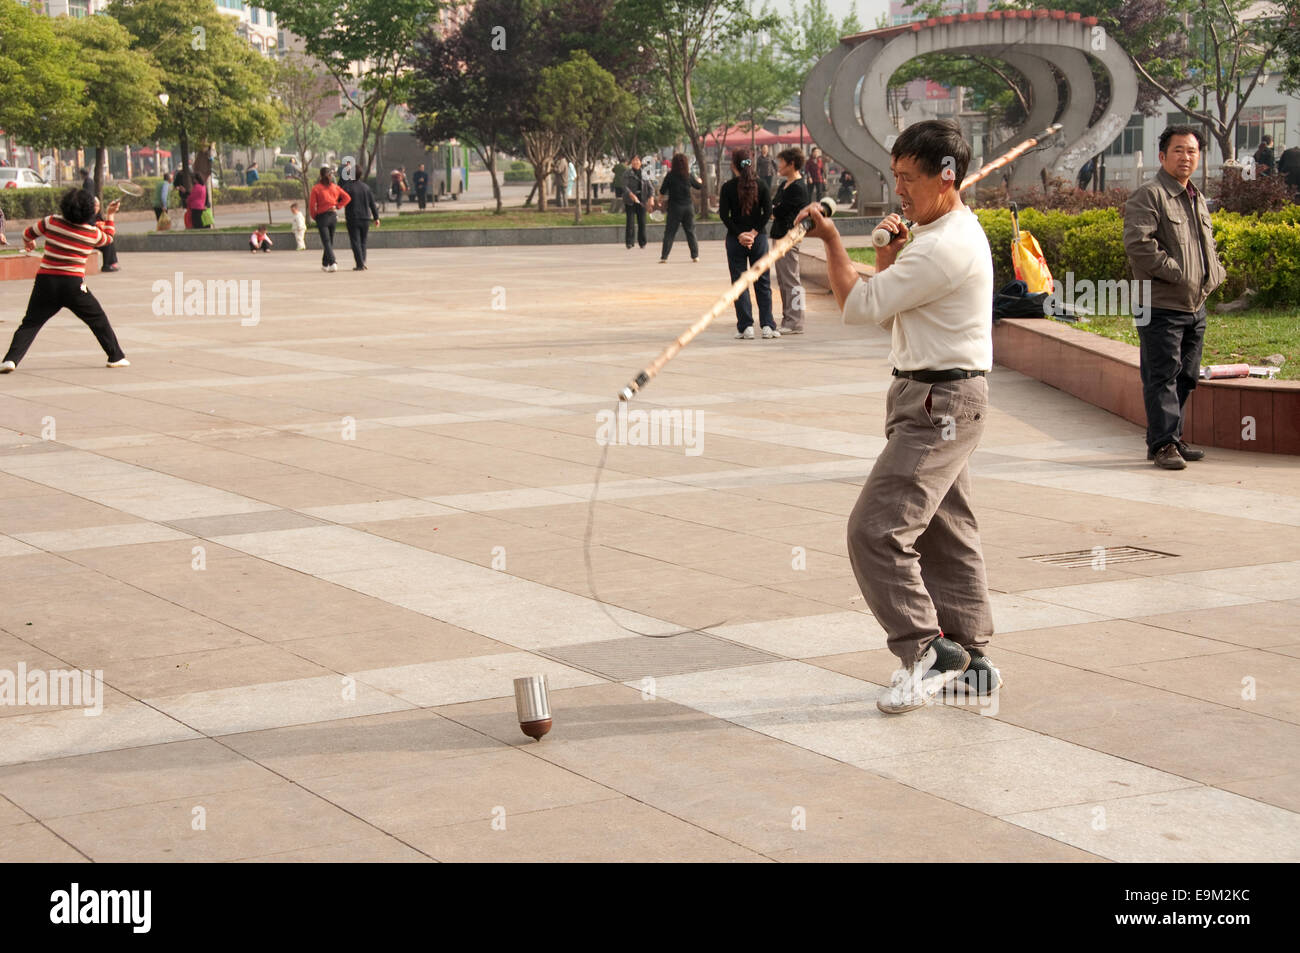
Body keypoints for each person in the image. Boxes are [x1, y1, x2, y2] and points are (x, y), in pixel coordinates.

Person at [795, 118, 996, 713]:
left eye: (909, 178)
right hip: (937, 396)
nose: (900, 190)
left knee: (876, 530)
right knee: (946, 531)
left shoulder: (942, 246)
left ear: (947, 178)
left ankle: (925, 648)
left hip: (940, 406)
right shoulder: (941, 235)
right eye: (895, 176)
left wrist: (831, 241)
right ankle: (973, 660)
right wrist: (885, 253)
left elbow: (858, 307)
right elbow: (892, 311)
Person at [1123, 125, 1226, 470]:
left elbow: (1205, 245)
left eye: (1192, 151)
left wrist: (1214, 274)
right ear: (1163, 156)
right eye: (1179, 150)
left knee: (1186, 376)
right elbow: (1139, 245)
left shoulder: (1195, 196)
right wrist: (1179, 273)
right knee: (1161, 376)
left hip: (1194, 305)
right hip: (1160, 304)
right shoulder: (1150, 195)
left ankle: (1171, 438)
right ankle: (1164, 444)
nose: (1186, 157)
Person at [1, 188, 129, 374]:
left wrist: (29, 242)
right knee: (97, 319)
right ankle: (116, 356)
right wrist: (110, 214)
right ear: (88, 211)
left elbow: (28, 233)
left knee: (30, 323)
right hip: (73, 285)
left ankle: (10, 360)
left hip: (45, 282)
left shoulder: (52, 221)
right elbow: (108, 238)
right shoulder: (90, 233)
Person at [719, 147, 776, 339]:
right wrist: (753, 233)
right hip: (758, 240)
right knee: (763, 282)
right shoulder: (761, 185)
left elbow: (724, 216)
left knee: (740, 282)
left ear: (733, 165)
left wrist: (740, 235)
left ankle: (746, 327)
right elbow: (767, 213)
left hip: (735, 240)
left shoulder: (727, 187)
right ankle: (767, 325)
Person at [770, 146, 810, 334]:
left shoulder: (798, 188)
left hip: (789, 236)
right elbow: (774, 206)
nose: (779, 165)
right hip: (778, 235)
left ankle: (796, 321)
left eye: (781, 162)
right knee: (783, 280)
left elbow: (779, 210)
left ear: (791, 164)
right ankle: (788, 318)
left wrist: (775, 210)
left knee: (792, 280)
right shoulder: (784, 185)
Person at [658, 153, 702, 263]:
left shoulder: (670, 175)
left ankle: (664, 257)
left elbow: (662, 191)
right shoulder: (688, 175)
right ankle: (695, 256)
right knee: (690, 232)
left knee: (669, 233)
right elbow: (698, 186)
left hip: (674, 208)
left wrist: (659, 201)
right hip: (688, 207)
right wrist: (700, 180)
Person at [309, 166, 350, 272]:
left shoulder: (316, 188)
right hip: (333, 215)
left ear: (320, 175)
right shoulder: (335, 187)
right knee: (329, 241)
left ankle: (333, 262)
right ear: (331, 176)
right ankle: (325, 263)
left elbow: (312, 205)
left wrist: (314, 216)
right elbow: (347, 197)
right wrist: (338, 206)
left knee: (326, 241)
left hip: (322, 216)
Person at [339, 169, 381, 270]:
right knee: (363, 241)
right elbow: (372, 204)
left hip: (353, 218)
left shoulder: (347, 187)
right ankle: (363, 261)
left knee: (355, 241)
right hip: (366, 217)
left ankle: (359, 263)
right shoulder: (366, 187)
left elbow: (340, 199)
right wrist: (376, 217)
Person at [622, 155, 654, 249]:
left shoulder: (644, 174)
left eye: (637, 160)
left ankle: (642, 242)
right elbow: (624, 186)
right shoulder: (627, 173)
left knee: (642, 222)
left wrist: (651, 198)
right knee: (630, 222)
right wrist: (630, 194)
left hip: (642, 200)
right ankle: (629, 242)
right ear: (631, 162)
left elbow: (650, 188)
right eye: (634, 160)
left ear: (640, 162)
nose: (636, 162)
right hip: (630, 200)